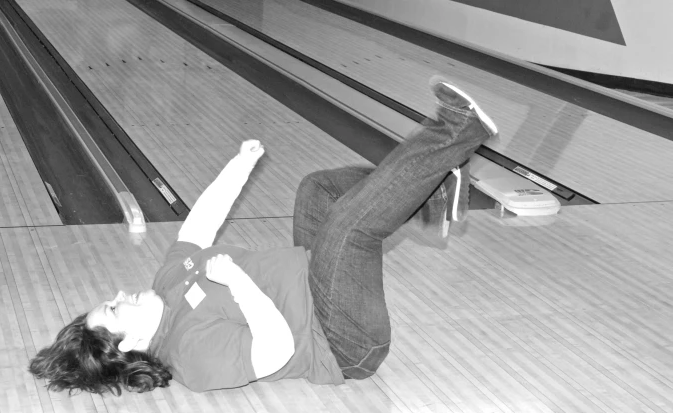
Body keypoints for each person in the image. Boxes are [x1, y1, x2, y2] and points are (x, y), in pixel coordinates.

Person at [29, 77, 498, 394]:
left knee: (318, 189)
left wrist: (240, 166)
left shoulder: (168, 281)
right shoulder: (190, 357)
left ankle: (431, 202)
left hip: (315, 279)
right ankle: (458, 131)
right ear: (126, 345)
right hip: (339, 341)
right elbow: (276, 352)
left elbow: (200, 224)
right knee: (347, 227)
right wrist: (237, 283)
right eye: (113, 308)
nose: (118, 294)